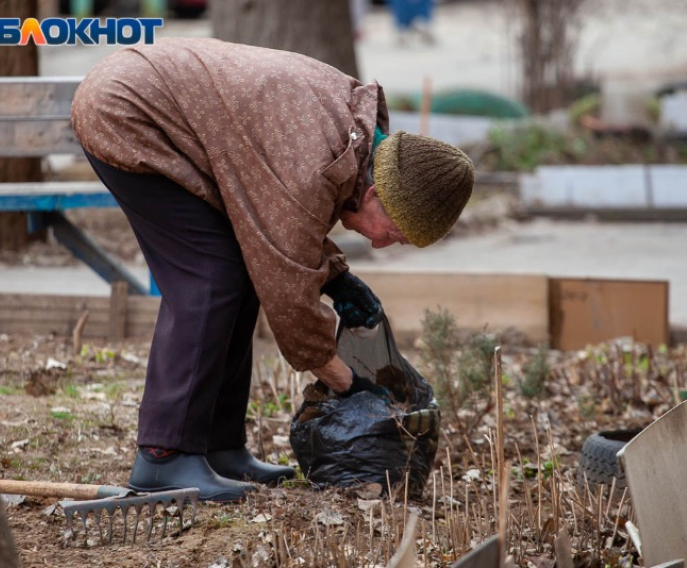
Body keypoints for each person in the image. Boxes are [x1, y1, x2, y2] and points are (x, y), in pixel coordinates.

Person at [71, 37, 474, 503]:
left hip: (151, 102)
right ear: (375, 195)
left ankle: (220, 449)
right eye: (396, 232)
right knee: (211, 275)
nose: (385, 243)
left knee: (237, 268)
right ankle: (164, 458)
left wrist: (336, 278)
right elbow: (286, 288)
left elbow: (279, 228)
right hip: (127, 113)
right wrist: (347, 384)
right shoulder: (318, 158)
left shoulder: (356, 141)